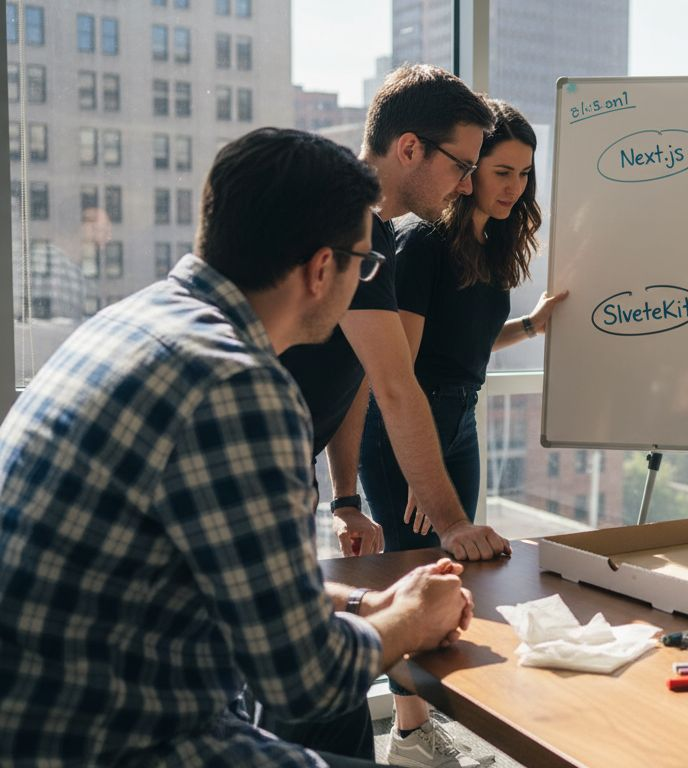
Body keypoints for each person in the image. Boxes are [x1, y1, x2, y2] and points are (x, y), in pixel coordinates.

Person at [0, 128, 474, 768]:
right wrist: (415, 618)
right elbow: (306, 680)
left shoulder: (130, 322)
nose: (366, 278)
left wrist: (367, 601)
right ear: (319, 269)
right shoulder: (238, 383)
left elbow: (237, 580)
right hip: (118, 742)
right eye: (365, 264)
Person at [358, 99, 567, 765]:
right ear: (470, 171)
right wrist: (425, 475)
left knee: (454, 571)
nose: (515, 187)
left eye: (525, 175)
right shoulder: (422, 244)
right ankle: (414, 733)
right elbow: (407, 366)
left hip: (459, 416)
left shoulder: (491, 246)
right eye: (501, 170)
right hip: (411, 424)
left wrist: (531, 328)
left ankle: (414, 731)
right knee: (415, 573)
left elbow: (466, 346)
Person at [279, 64, 510, 565]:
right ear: (409, 148)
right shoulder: (347, 219)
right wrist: (452, 526)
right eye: (462, 167)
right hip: (251, 467)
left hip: (288, 471)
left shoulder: (371, 228)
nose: (468, 187)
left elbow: (353, 374)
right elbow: (395, 386)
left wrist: (344, 500)